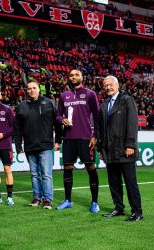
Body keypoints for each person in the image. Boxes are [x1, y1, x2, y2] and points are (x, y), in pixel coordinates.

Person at [98, 76, 143, 221]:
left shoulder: (127, 100)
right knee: (114, 182)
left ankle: (137, 211)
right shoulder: (104, 104)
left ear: (117, 85)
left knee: (130, 182)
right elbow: (101, 129)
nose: (108, 88)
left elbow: (132, 123)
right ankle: (118, 208)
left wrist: (130, 144)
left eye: (111, 85)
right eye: (106, 85)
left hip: (125, 150)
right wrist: (100, 148)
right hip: (110, 150)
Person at [56, 69, 100, 213]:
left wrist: (95, 136)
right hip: (68, 138)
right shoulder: (64, 95)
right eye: (71, 75)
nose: (73, 77)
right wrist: (62, 119)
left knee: (91, 169)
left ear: (82, 77)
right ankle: (68, 200)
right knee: (68, 169)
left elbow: (97, 116)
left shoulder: (89, 94)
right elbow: (57, 116)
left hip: (86, 138)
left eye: (76, 75)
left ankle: (95, 202)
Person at [14, 79, 62, 209]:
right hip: (30, 146)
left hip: (45, 145)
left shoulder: (49, 103)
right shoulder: (21, 106)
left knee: (46, 174)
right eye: (29, 89)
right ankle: (36, 197)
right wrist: (18, 146)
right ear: (26, 90)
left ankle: (47, 199)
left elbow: (57, 124)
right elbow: (17, 128)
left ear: (39, 89)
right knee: (34, 174)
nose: (31, 90)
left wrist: (58, 140)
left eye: (34, 88)